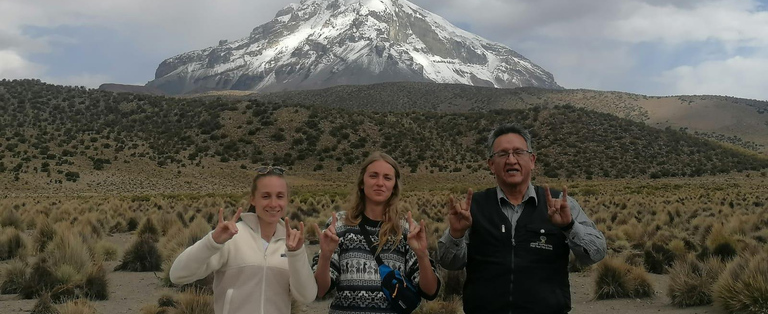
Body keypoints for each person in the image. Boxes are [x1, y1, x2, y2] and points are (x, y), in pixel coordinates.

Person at [437, 123, 607, 314]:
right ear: (491, 165)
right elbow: (447, 262)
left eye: (518, 152)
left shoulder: (559, 204)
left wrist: (569, 226)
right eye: (502, 154)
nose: (511, 160)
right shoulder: (473, 207)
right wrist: (456, 235)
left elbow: (597, 253)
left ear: (532, 160)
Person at [169, 166, 317, 314]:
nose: (273, 204)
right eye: (265, 196)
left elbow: (307, 296)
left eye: (279, 196)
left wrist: (296, 254)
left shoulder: (292, 244)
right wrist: (212, 242)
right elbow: (177, 275)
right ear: (253, 198)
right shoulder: (231, 237)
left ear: (287, 200)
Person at [312, 151, 441, 313]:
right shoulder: (338, 224)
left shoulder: (407, 228)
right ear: (362, 182)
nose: (380, 183)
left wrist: (422, 255)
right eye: (373, 176)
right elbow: (320, 290)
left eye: (387, 178)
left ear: (394, 186)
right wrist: (325, 256)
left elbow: (430, 292)